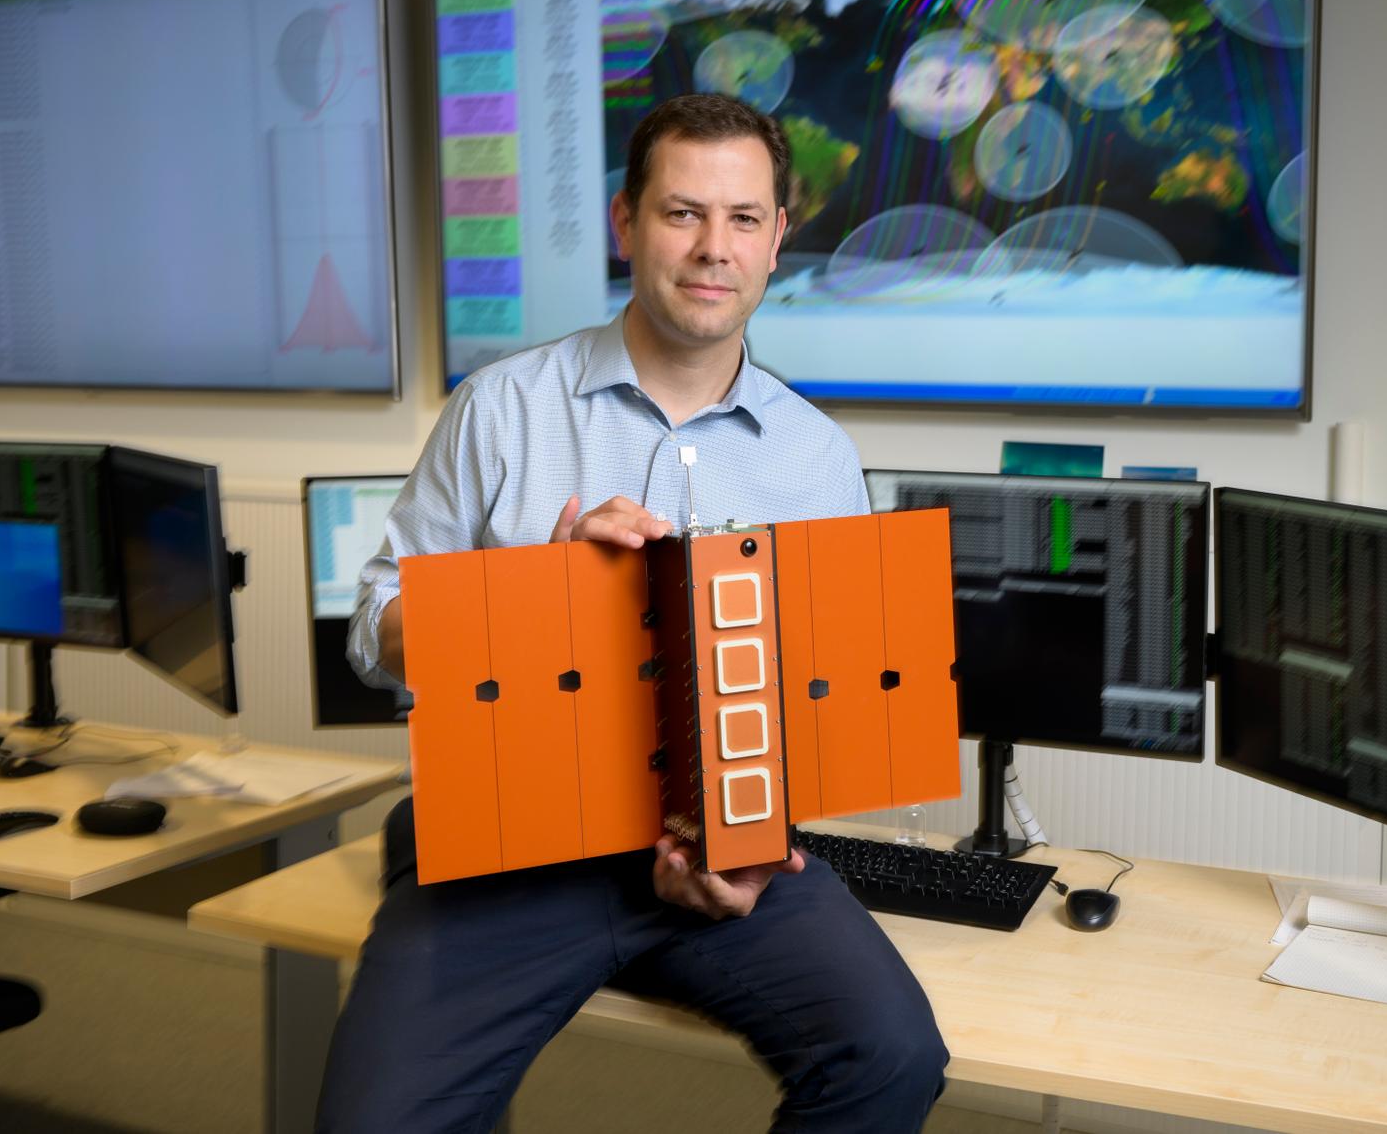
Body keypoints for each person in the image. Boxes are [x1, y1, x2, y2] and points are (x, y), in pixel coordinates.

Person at [318, 93, 948, 1132]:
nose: (713, 249)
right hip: (510, 852)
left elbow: (817, 698)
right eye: (681, 213)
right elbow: (373, 627)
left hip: (720, 848)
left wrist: (747, 846)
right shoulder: (502, 407)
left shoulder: (818, 456)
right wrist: (532, 601)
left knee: (890, 1055)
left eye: (743, 218)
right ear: (624, 223)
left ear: (778, 238)